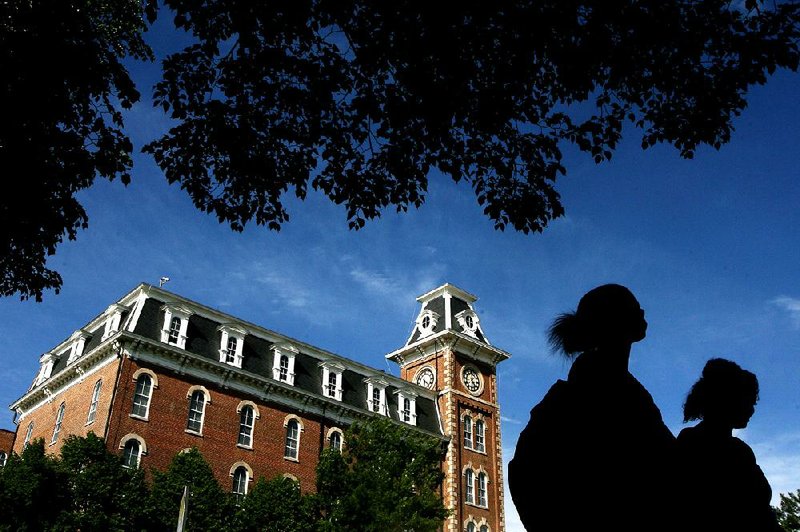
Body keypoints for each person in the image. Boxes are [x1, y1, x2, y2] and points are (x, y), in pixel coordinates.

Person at [508, 283, 675, 531]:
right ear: (614, 321)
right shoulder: (586, 398)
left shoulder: (630, 394)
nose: (642, 313)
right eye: (634, 307)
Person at [675, 358, 782, 531]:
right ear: (727, 399)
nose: (752, 409)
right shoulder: (693, 442)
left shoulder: (741, 450)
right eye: (749, 401)